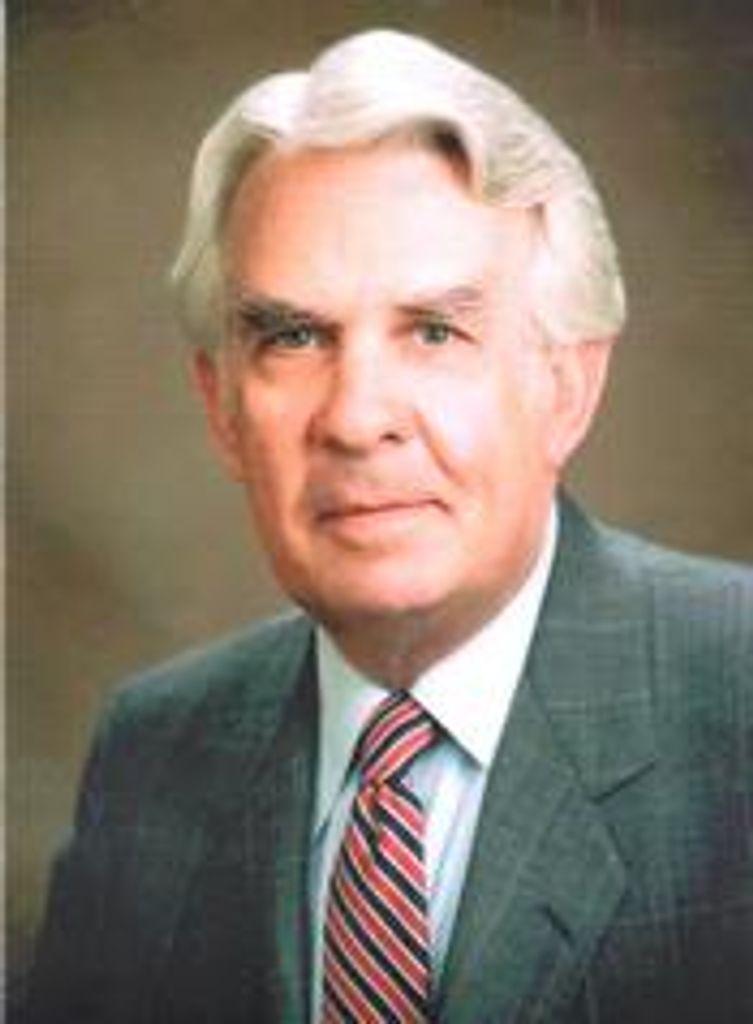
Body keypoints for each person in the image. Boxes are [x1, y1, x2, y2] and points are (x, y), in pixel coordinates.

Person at [26, 29, 752, 1024]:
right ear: (222, 407)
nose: (357, 417)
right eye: (294, 337)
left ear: (566, 387)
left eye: (434, 331)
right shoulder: (153, 754)